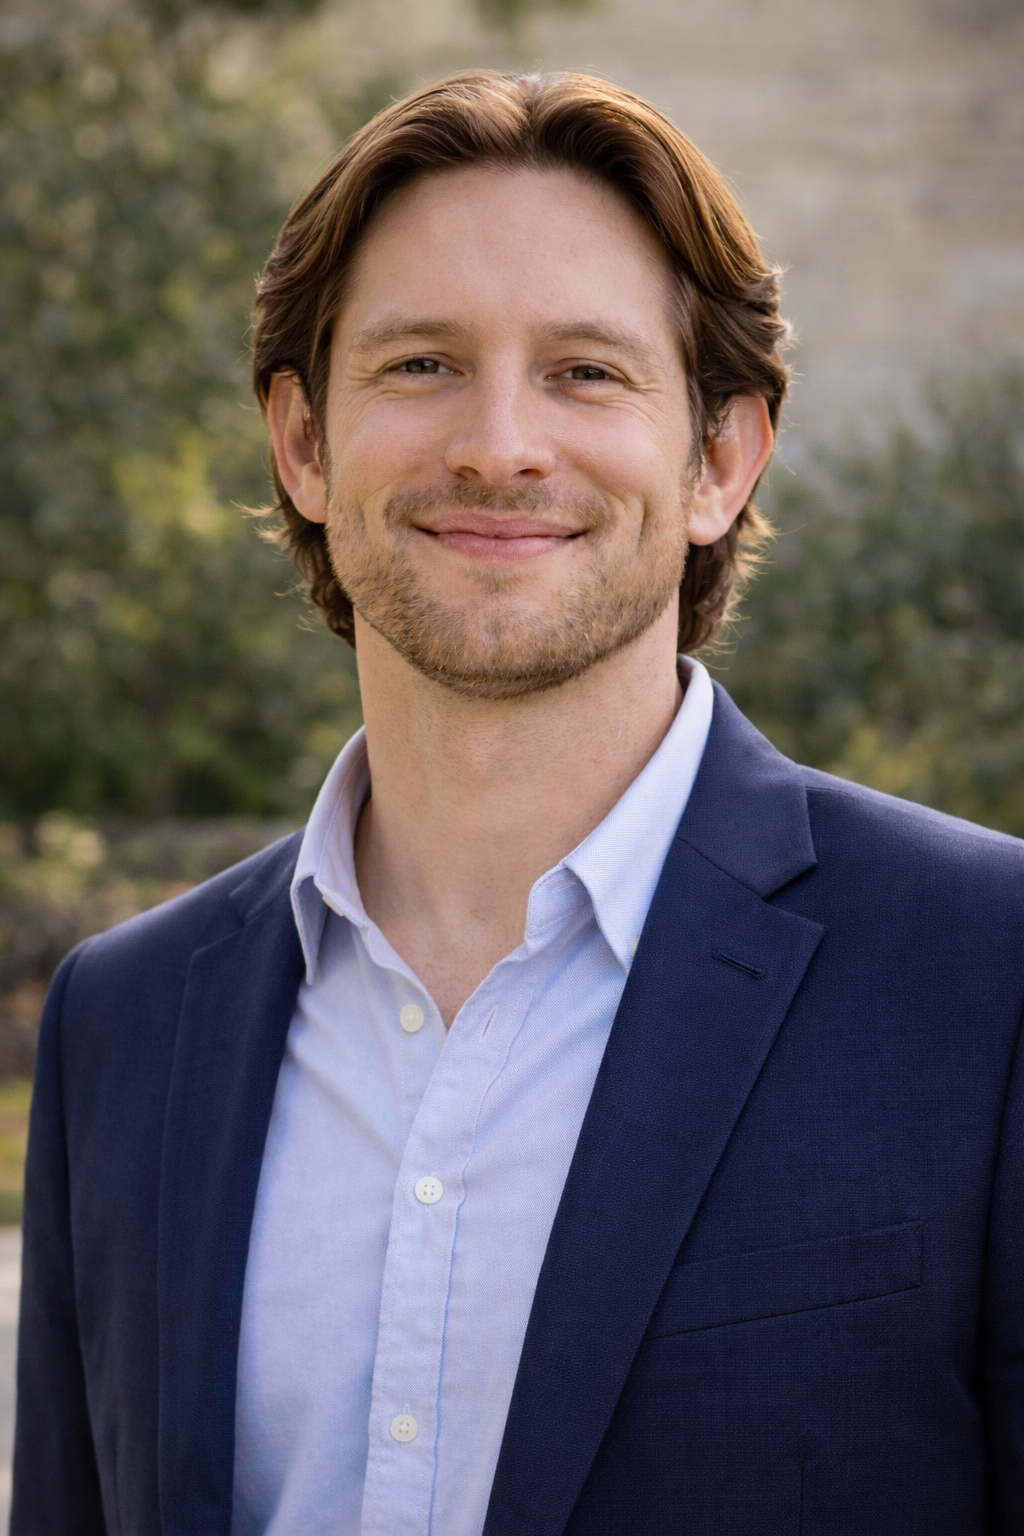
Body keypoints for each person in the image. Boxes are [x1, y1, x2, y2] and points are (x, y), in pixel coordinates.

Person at [11, 70, 1024, 1536]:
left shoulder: (989, 976)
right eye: (421, 363)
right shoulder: (124, 1022)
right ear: (303, 446)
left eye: (586, 372)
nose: (498, 444)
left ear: (720, 460)